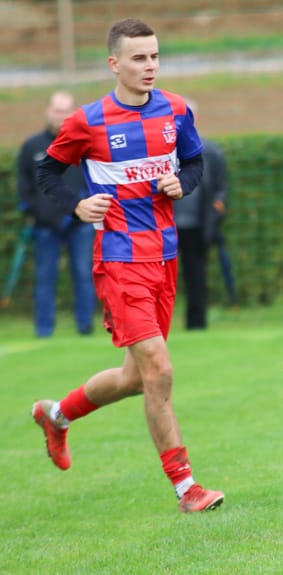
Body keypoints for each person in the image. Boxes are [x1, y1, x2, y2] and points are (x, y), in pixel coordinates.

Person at [31, 18, 224, 513]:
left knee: (135, 377)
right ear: (114, 64)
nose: (150, 66)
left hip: (165, 256)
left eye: (155, 56)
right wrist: (77, 204)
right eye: (139, 58)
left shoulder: (176, 110)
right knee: (159, 370)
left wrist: (184, 182)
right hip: (119, 260)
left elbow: (195, 163)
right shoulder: (88, 121)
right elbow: (47, 172)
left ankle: (57, 415)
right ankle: (187, 489)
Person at [16, 91, 96, 337]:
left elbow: (95, 180)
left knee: (84, 274)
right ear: (48, 111)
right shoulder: (32, 146)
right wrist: (37, 212)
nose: (61, 116)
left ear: (74, 113)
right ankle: (44, 329)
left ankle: (85, 327)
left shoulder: (84, 144)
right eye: (57, 110)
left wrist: (82, 209)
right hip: (45, 227)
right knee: (45, 277)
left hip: (80, 224)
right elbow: (25, 187)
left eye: (66, 111)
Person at [173, 98, 229, 329]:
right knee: (157, 278)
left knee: (197, 275)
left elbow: (221, 189)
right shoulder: (159, 152)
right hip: (166, 225)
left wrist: (215, 214)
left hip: (198, 226)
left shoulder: (212, 152)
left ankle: (196, 323)